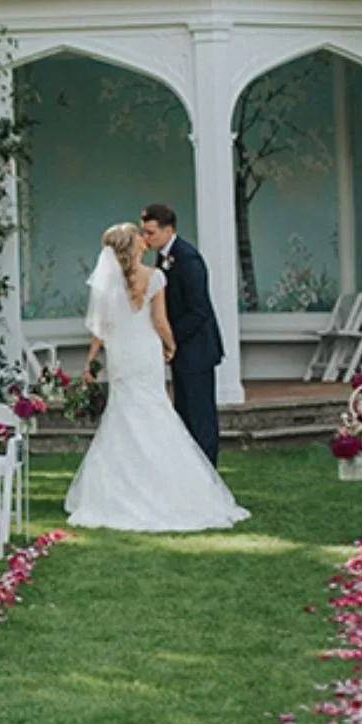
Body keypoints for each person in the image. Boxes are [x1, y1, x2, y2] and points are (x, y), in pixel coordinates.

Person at [64, 222, 248, 532]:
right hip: (146, 351)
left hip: (121, 353)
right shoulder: (154, 277)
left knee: (122, 413)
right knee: (155, 409)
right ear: (132, 244)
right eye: (139, 235)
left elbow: (101, 328)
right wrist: (171, 345)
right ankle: (171, 486)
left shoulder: (108, 283)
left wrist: (90, 360)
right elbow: (160, 321)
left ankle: (121, 489)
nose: (143, 238)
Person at [140, 203, 224, 464]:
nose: (146, 238)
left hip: (197, 350)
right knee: (184, 414)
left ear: (168, 230)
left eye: (151, 233)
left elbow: (199, 310)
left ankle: (208, 472)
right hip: (182, 350)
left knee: (200, 417)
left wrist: (170, 338)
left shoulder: (188, 259)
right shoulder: (163, 256)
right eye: (144, 232)